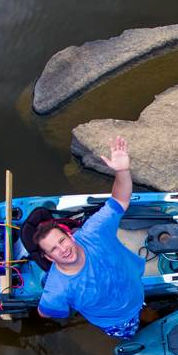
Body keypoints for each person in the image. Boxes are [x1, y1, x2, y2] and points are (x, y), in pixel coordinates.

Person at [34, 135, 146, 338]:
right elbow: (44, 311)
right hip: (118, 319)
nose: (63, 249)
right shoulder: (57, 289)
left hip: (136, 287)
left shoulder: (95, 231)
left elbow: (120, 200)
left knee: (142, 305)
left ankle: (142, 309)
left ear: (71, 236)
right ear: (49, 258)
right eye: (53, 250)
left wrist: (122, 171)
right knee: (131, 333)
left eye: (61, 241)